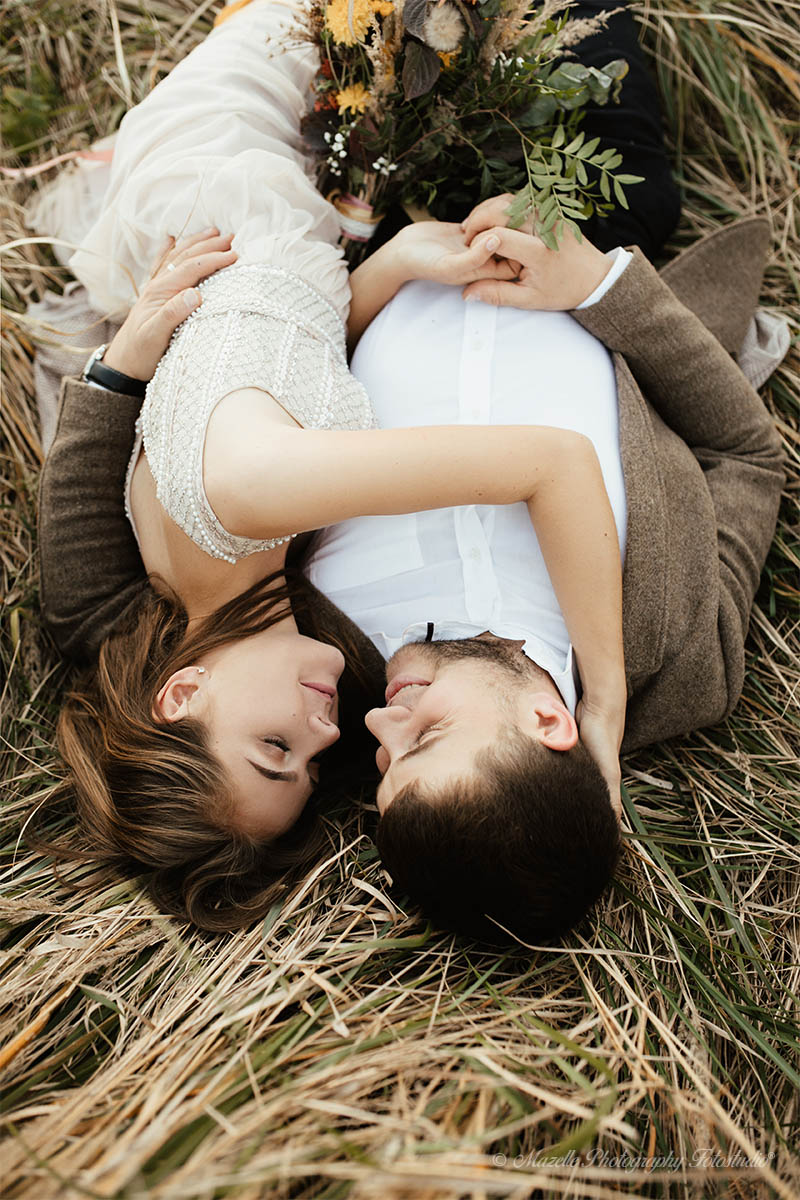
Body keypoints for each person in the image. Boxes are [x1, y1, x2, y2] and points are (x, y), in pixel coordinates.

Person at [30, 0, 634, 929]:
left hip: (232, 158)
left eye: (276, 747)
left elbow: (554, 464)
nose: (331, 732)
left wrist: (605, 699)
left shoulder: (249, 498)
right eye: (312, 768)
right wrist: (392, 269)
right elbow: (298, 350)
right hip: (323, 227)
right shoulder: (216, 588)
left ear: (182, 692)